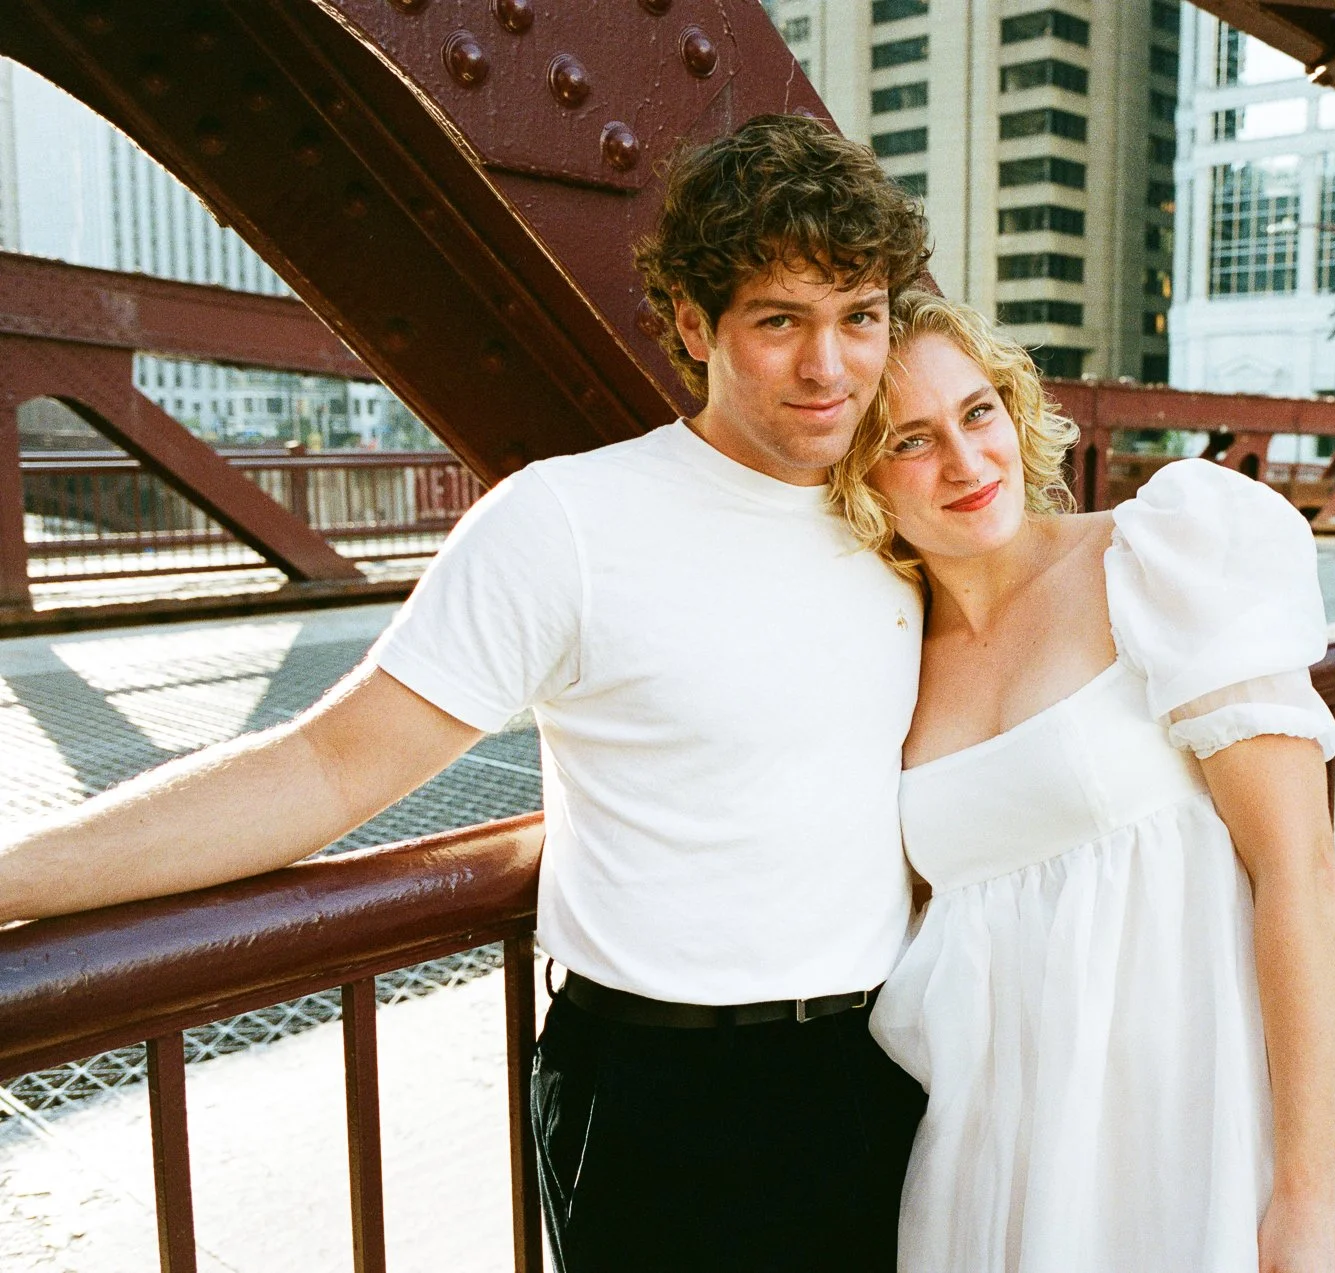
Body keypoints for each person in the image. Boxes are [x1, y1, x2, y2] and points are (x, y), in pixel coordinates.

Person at [0, 115, 932, 1273]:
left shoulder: (908, 508)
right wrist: (13, 876)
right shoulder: (565, 523)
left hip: (884, 1061)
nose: (829, 367)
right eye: (780, 320)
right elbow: (326, 765)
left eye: (860, 317)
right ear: (694, 324)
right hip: (664, 1095)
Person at [833, 290, 1335, 1272]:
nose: (967, 461)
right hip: (1003, 1160)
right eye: (911, 440)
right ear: (860, 475)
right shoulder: (884, 660)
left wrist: (1309, 1195)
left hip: (1204, 1125)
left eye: (977, 412)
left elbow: (1299, 869)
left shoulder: (1154, 558)